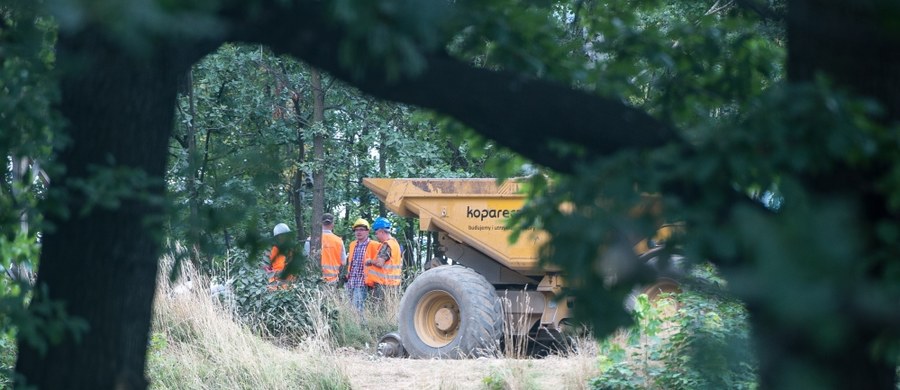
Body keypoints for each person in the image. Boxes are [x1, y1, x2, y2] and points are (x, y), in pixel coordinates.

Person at [345, 218, 380, 315]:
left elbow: (380, 262)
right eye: (356, 230)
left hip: (363, 282)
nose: (358, 232)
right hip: (351, 281)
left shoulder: (375, 245)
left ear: (367, 231)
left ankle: (360, 327)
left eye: (361, 229)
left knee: (358, 308)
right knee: (349, 308)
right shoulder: (352, 244)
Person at [367, 217, 402, 301]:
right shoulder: (395, 243)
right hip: (393, 285)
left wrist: (369, 261)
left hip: (384, 286)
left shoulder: (387, 244)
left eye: (376, 233)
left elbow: (380, 263)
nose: (376, 236)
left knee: (379, 311)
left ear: (381, 231)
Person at [305, 213, 347, 284]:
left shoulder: (311, 239)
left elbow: (305, 259)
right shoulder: (339, 241)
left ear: (321, 223)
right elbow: (344, 262)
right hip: (332, 281)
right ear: (333, 224)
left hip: (314, 281)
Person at [266, 222, 297, 290]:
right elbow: (279, 269)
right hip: (277, 286)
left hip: (289, 285)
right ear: (279, 237)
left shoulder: (291, 248)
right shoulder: (275, 250)